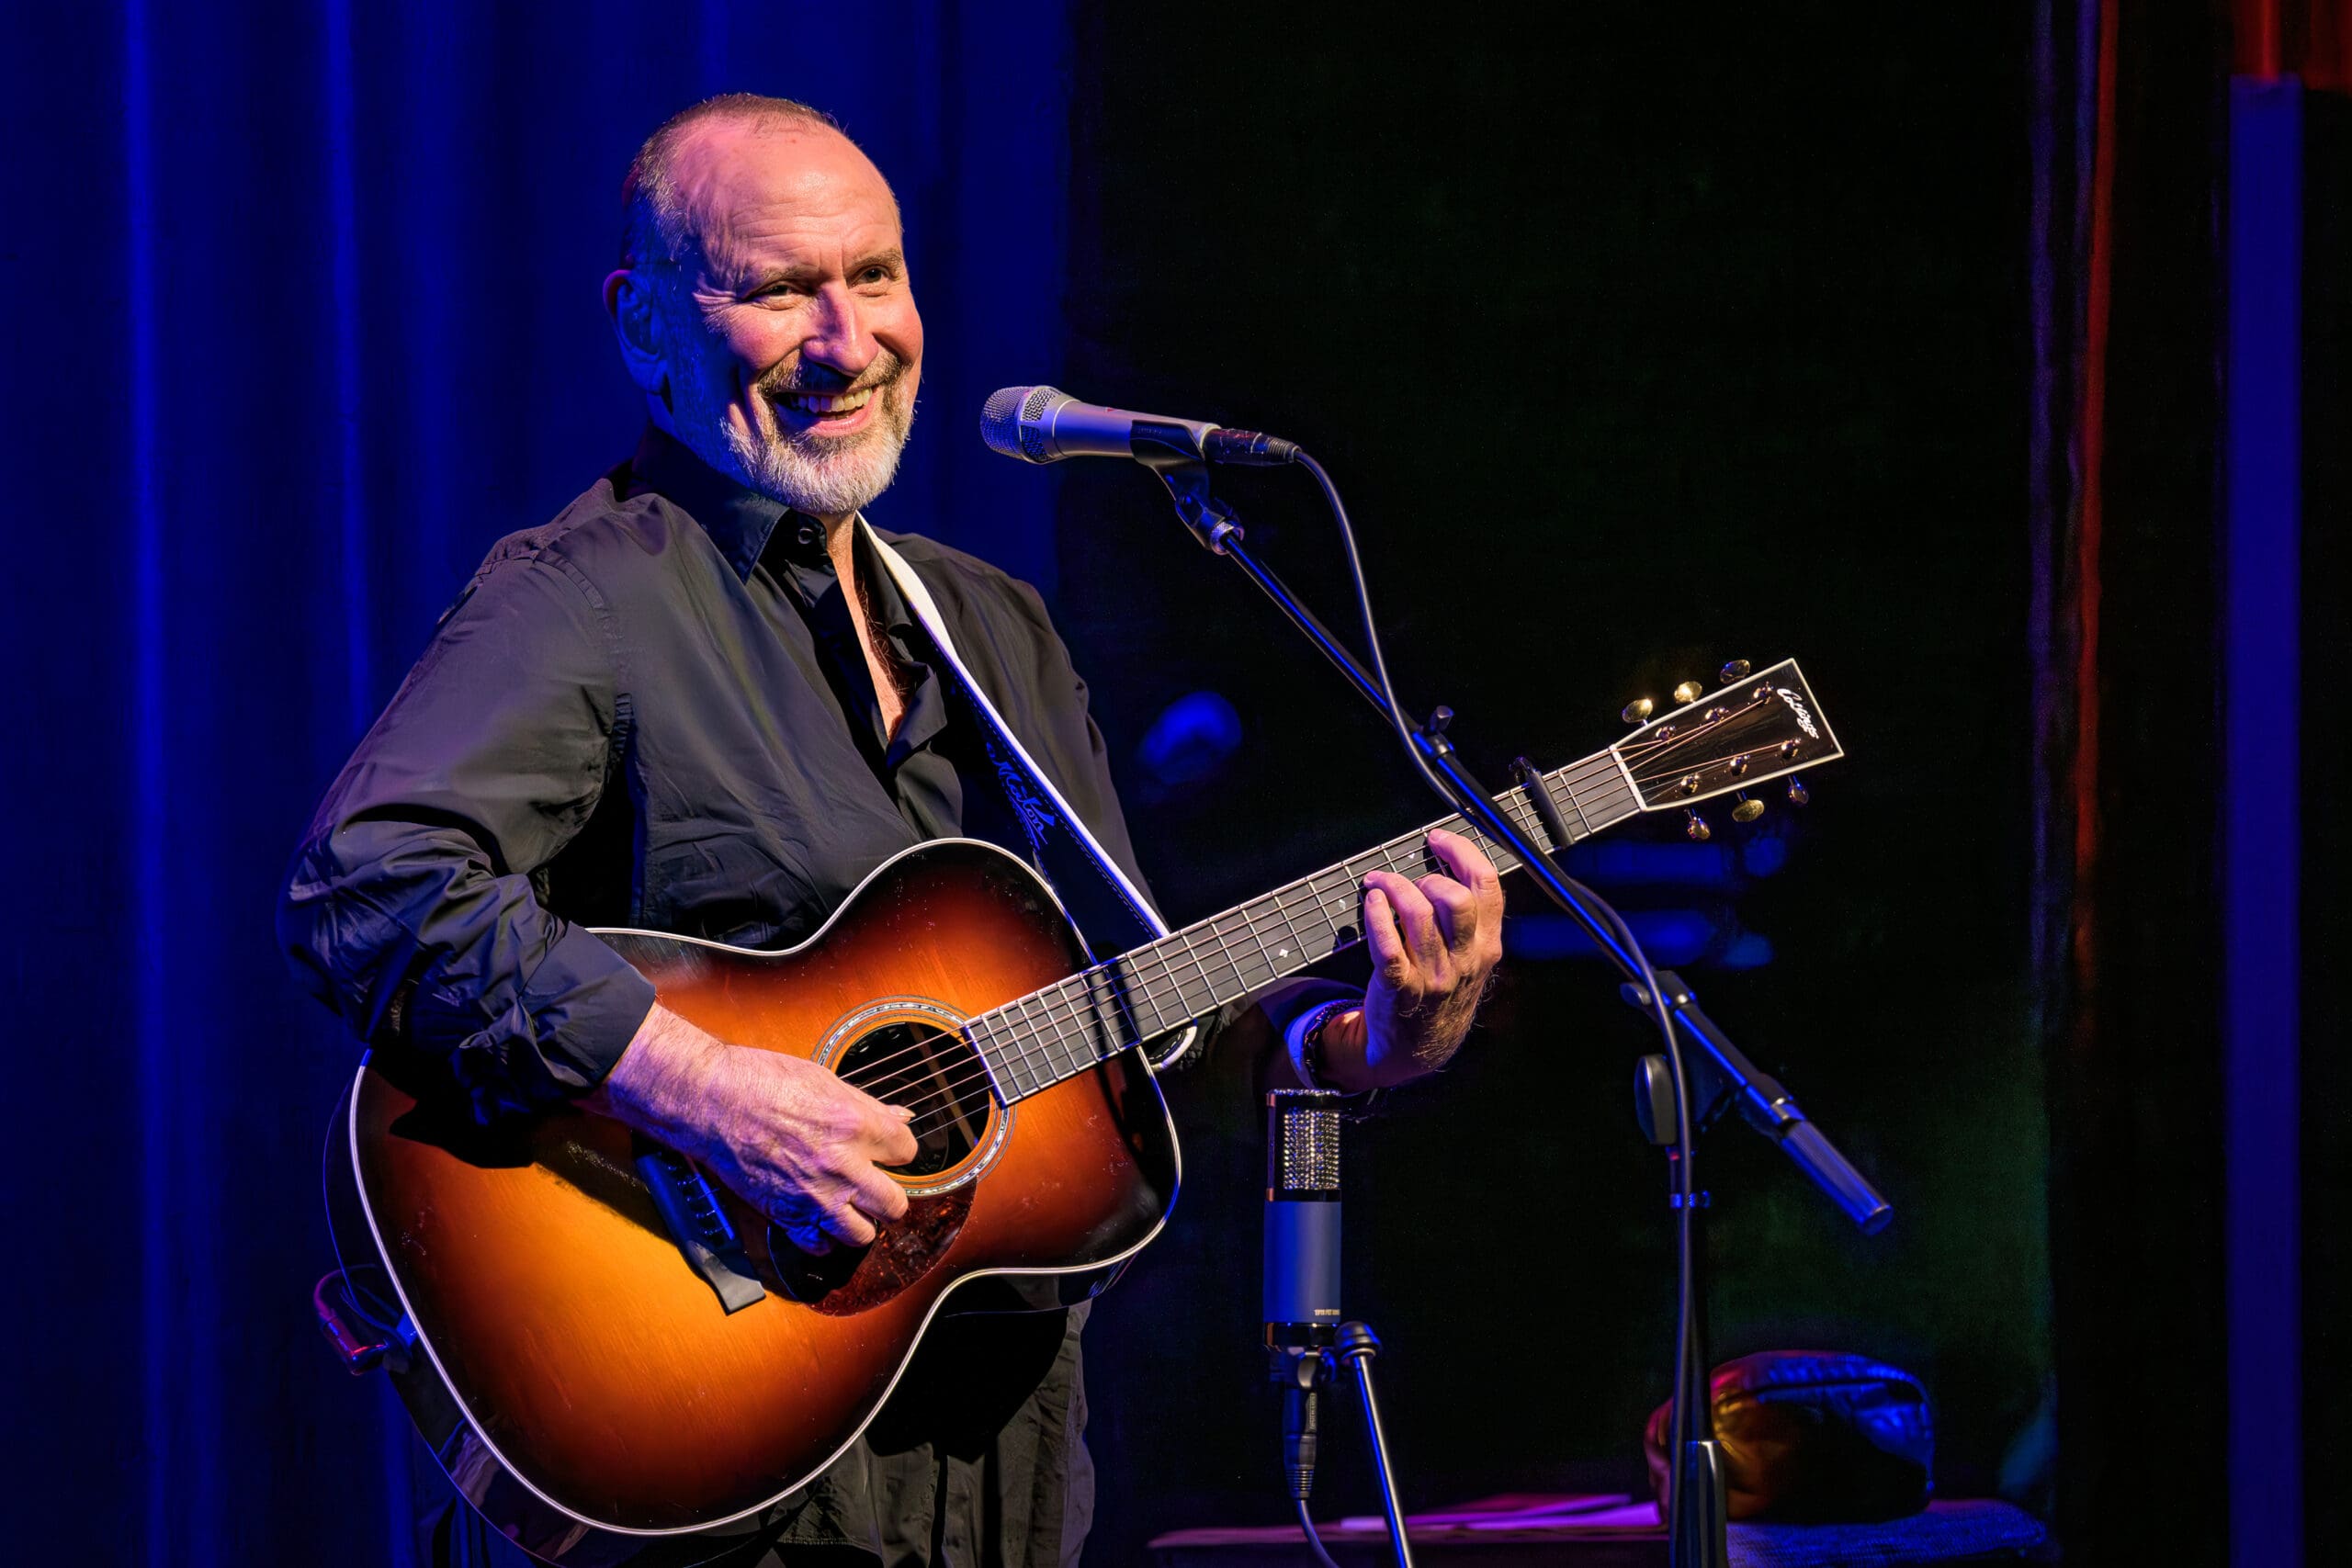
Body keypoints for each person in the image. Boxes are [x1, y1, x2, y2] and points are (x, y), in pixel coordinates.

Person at [278, 94, 1504, 1567]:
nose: (849, 341)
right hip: (711, 1482)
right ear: (646, 321)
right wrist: (701, 1086)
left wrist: (1364, 1046)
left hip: (1002, 1480)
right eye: (780, 289)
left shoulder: (996, 632)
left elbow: (1123, 1034)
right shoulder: (589, 592)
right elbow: (372, 879)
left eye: (875, 276)